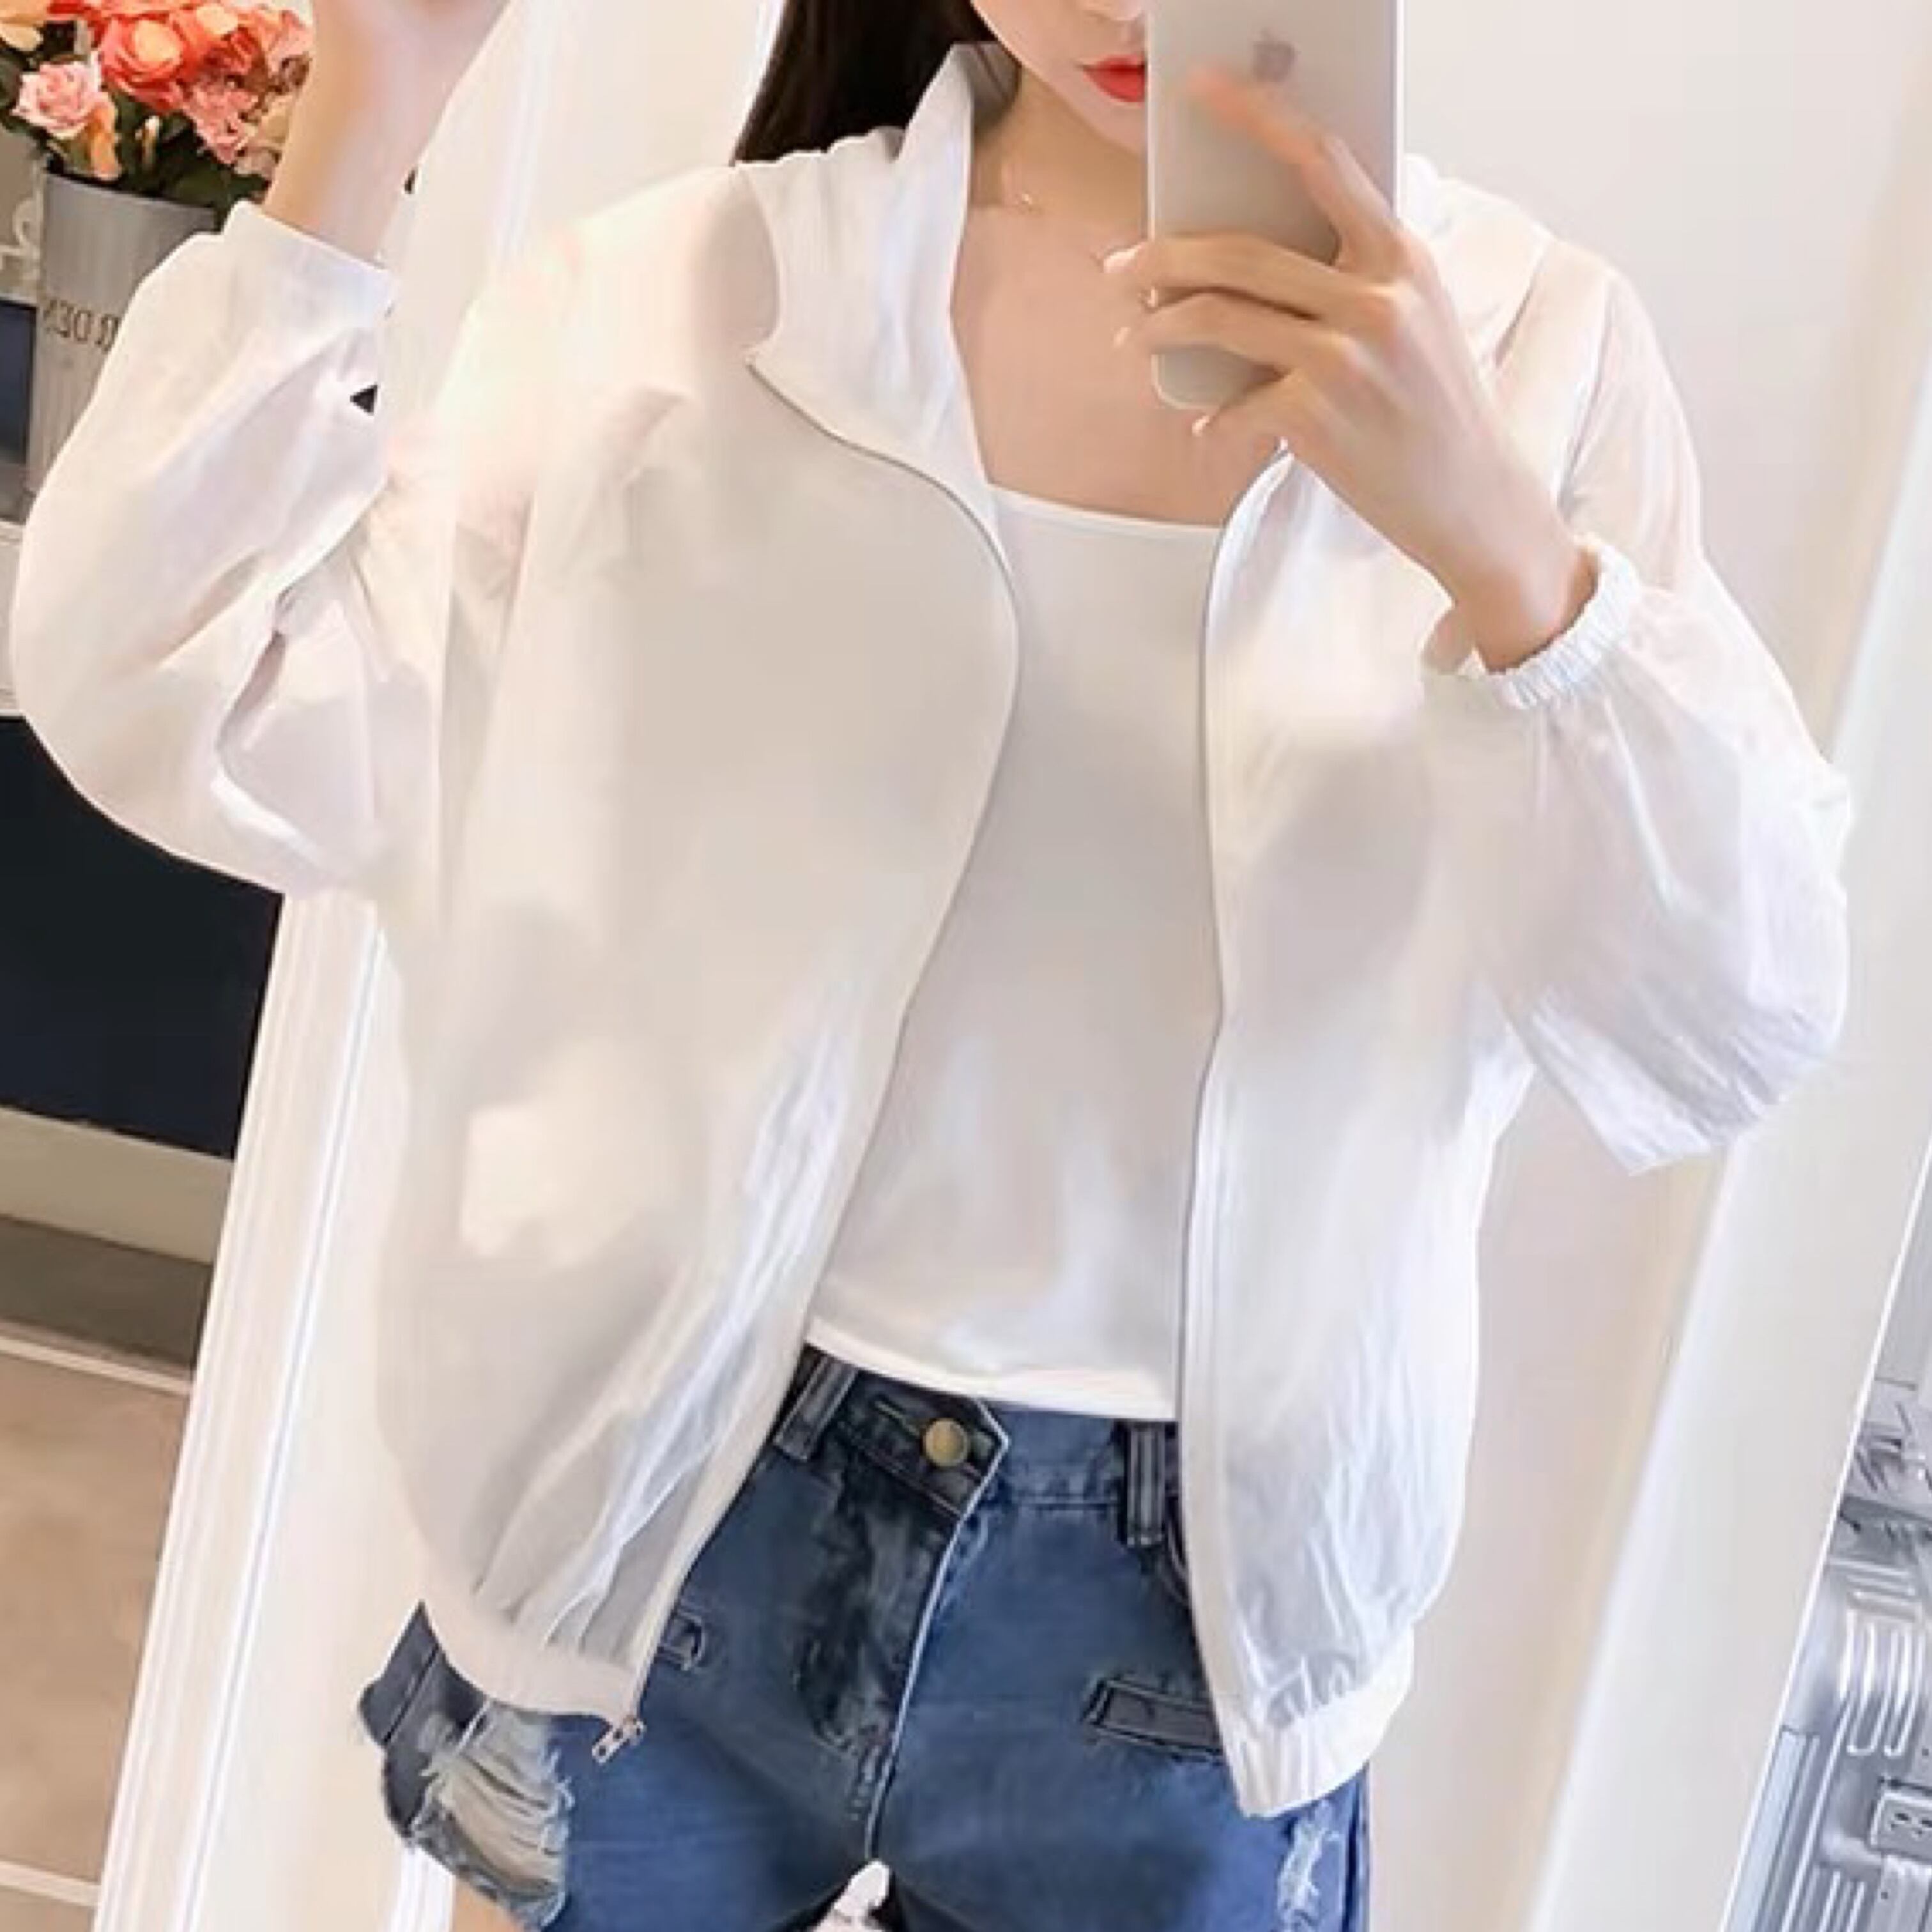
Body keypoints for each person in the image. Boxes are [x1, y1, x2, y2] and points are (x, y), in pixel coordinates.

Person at [10, 0, 1851, 1925]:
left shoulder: (1533, 354)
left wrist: (1511, 563)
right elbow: (174, 682)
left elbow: (1729, 1017)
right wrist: (375, 92)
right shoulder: (681, 303)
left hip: (1193, 1610)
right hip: (666, 1505)